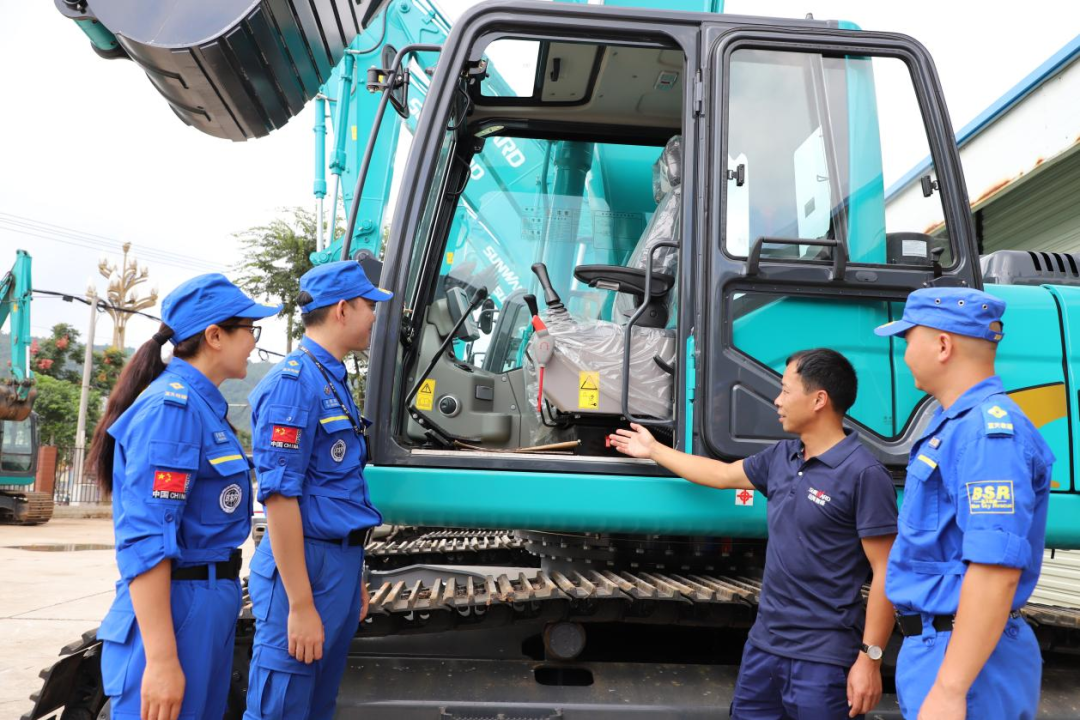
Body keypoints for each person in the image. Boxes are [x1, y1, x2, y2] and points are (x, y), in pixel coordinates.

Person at [610, 348, 897, 719]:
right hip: (764, 649)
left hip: (822, 659)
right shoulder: (781, 457)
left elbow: (887, 570)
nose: (777, 400)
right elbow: (721, 474)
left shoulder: (864, 474)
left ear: (819, 400)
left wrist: (870, 660)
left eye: (786, 390)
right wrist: (653, 449)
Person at [87, 274, 280, 720]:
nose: (254, 342)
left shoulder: (202, 406)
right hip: (175, 609)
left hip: (204, 601)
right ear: (215, 336)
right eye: (249, 329)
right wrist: (161, 660)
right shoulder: (170, 410)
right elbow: (147, 541)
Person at [874, 288, 1053, 719]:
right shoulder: (955, 424)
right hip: (944, 647)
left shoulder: (988, 434)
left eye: (908, 339)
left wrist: (951, 687)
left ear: (942, 345)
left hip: (965, 659)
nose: (904, 354)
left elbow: (995, 570)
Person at [244, 260, 392, 720]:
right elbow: (279, 499)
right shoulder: (294, 384)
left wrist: (354, 572)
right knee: (282, 708)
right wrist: (301, 605)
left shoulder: (331, 378)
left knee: (316, 708)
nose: (375, 316)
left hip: (337, 565)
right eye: (369, 305)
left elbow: (337, 488)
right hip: (304, 567)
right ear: (343, 309)